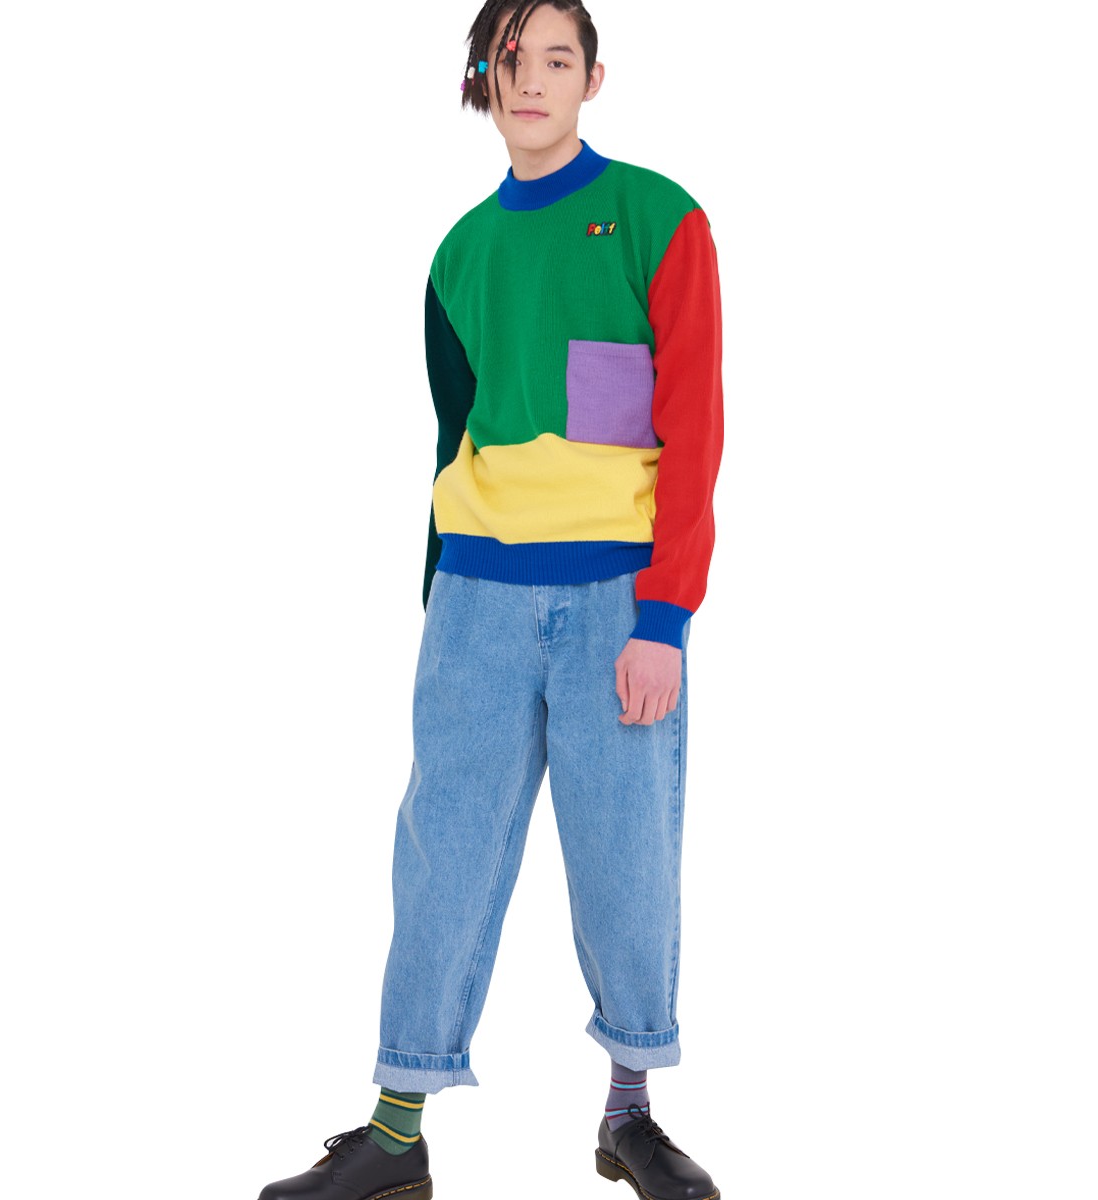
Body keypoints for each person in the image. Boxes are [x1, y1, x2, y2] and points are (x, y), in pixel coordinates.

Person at [258, 1, 723, 1197]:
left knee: (626, 864)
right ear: (482, 75)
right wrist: (441, 606)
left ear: (594, 79)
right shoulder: (458, 253)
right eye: (510, 60)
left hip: (616, 602)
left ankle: (631, 1116)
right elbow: (450, 434)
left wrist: (664, 620)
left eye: (558, 59)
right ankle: (395, 1134)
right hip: (476, 599)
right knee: (442, 858)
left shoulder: (661, 220)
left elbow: (694, 428)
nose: (532, 80)